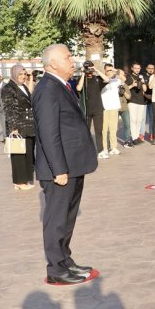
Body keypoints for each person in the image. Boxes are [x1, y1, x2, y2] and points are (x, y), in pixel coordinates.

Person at [33, 44, 98, 284]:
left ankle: (65, 261)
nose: (73, 60)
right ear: (52, 64)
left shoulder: (61, 85)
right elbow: (49, 134)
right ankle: (56, 269)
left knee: (67, 219)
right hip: (60, 170)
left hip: (73, 165)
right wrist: (59, 169)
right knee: (57, 220)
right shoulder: (47, 89)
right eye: (67, 57)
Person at [1, 65, 36, 190]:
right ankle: (19, 182)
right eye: (20, 74)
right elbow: (8, 109)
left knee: (28, 153)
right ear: (14, 74)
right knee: (18, 155)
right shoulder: (8, 88)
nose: (23, 76)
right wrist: (13, 127)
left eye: (24, 74)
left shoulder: (24, 86)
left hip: (28, 125)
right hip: (18, 125)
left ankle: (25, 179)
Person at [75, 60, 109, 157]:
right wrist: (83, 74)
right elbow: (78, 88)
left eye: (90, 68)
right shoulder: (82, 79)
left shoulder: (97, 79)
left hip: (98, 109)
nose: (89, 70)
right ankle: (86, 151)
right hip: (86, 110)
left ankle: (100, 151)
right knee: (86, 131)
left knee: (99, 131)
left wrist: (96, 70)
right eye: (87, 68)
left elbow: (107, 80)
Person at [100, 64, 122, 156]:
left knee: (113, 129)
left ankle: (114, 147)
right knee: (104, 129)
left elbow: (124, 79)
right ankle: (104, 148)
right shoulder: (102, 80)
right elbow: (105, 79)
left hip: (114, 106)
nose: (110, 72)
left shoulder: (116, 80)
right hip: (104, 107)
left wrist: (115, 70)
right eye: (108, 70)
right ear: (104, 71)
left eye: (111, 70)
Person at [126, 63, 147, 145]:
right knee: (133, 120)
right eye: (135, 68)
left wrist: (143, 82)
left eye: (138, 68)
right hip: (132, 101)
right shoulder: (128, 77)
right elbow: (125, 88)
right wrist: (132, 85)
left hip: (141, 101)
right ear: (132, 68)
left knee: (139, 120)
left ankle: (137, 136)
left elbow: (145, 89)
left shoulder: (141, 77)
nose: (137, 70)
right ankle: (134, 138)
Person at [116, 69, 133, 148]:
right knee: (114, 126)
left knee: (127, 125)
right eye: (123, 74)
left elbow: (129, 97)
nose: (124, 76)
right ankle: (111, 143)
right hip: (115, 108)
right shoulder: (113, 84)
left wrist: (124, 92)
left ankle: (127, 141)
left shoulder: (125, 85)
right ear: (118, 75)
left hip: (124, 107)